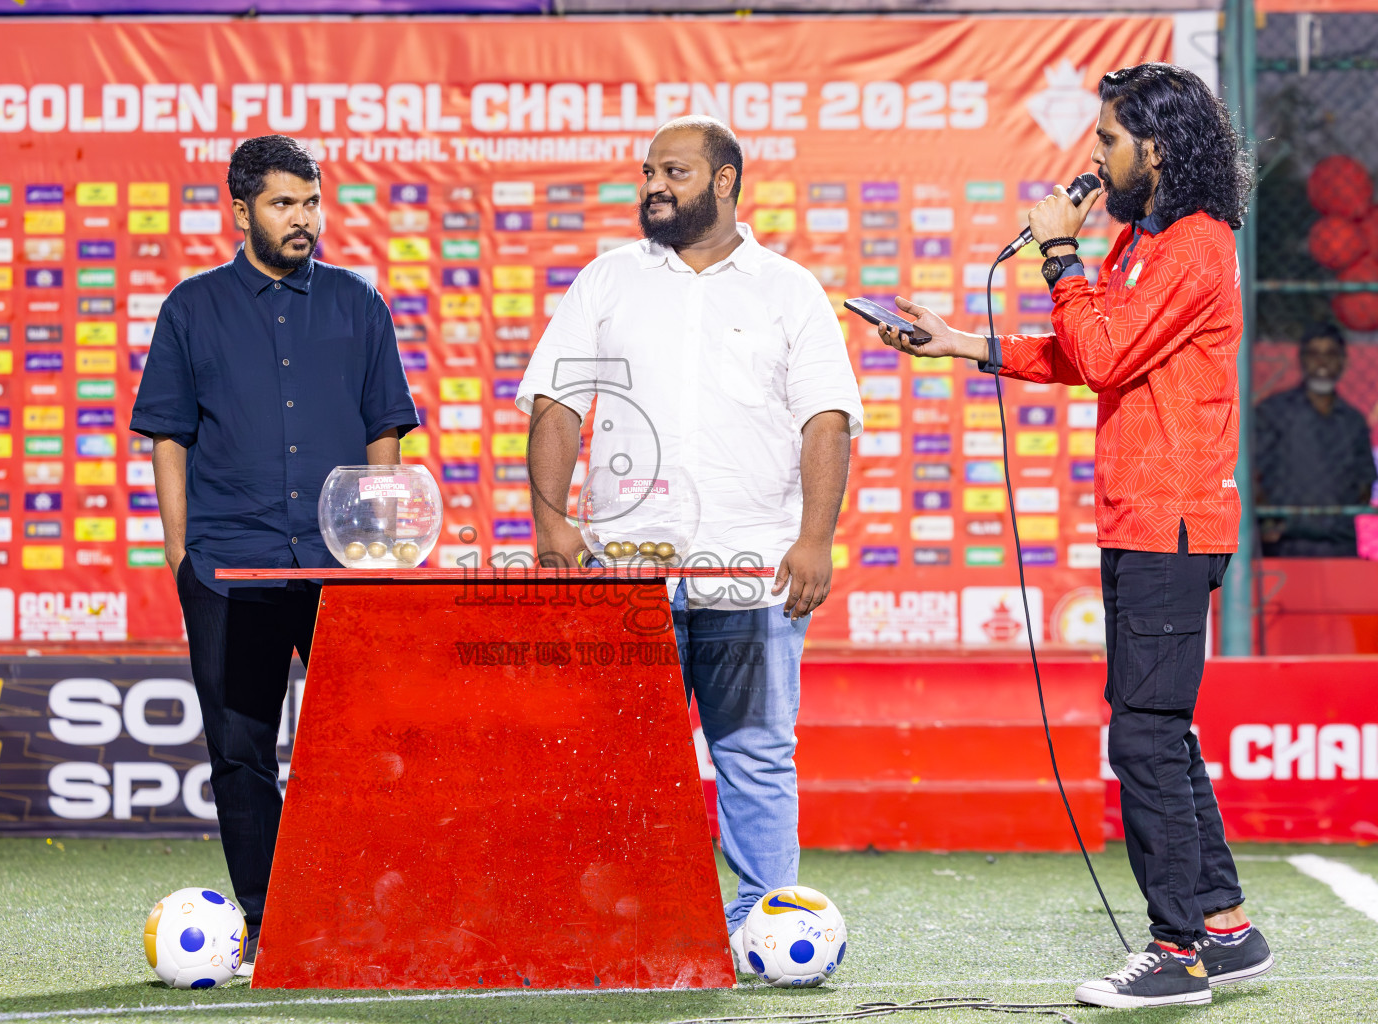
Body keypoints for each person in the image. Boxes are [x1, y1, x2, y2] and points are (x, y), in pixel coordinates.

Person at [876, 64, 1272, 1008]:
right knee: (1157, 733)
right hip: (1142, 518)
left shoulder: (1195, 245)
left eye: (1108, 141)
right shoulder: (1144, 242)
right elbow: (1091, 347)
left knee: (1142, 736)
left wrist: (1059, 255)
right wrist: (967, 345)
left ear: (1157, 148)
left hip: (1171, 521)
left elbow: (1101, 352)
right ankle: (1225, 927)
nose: (1093, 158)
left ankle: (1176, 954)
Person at [517, 115, 864, 973]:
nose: (653, 187)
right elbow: (556, 403)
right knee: (619, 752)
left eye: (673, 171)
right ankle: (620, 916)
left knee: (754, 750)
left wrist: (814, 537)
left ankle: (762, 922)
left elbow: (827, 417)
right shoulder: (607, 282)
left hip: (752, 569)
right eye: (647, 173)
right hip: (629, 572)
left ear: (725, 182)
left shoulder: (788, 289)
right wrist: (551, 518)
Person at [130, 135, 418, 975]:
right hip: (230, 568)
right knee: (240, 751)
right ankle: (265, 920)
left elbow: (384, 432)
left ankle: (362, 909)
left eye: (312, 202)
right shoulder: (191, 308)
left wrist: (380, 545)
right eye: (285, 204)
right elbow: (170, 441)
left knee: (365, 751)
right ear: (242, 210)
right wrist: (184, 556)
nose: (304, 220)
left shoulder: (359, 305)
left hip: (340, 572)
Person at [1255, 324, 1377, 557]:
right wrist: (1269, 521)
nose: (1322, 363)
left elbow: (1365, 481)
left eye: (1330, 354)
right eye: (1314, 354)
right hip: (1286, 543)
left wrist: (1336, 511)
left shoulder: (1353, 421)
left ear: (1343, 361)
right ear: (1302, 359)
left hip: (1340, 544)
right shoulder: (1273, 412)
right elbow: (1252, 472)